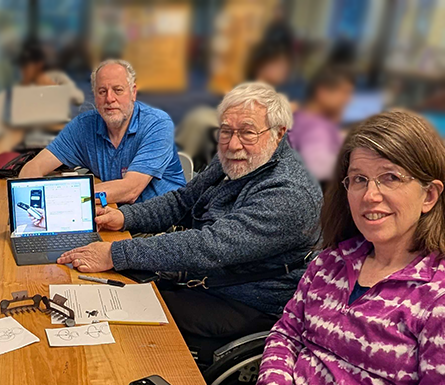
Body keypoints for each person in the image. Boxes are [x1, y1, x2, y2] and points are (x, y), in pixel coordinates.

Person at [224, 110, 445, 385]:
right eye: (358, 179)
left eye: (391, 177)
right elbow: (287, 333)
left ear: (429, 194)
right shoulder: (332, 261)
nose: (370, 195)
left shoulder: (435, 297)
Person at [57, 82, 321, 365]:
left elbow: (210, 246)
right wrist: (125, 217)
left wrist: (115, 252)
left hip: (245, 302)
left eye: (247, 132)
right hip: (203, 278)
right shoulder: (240, 155)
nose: (233, 144)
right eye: (226, 131)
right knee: (111, 291)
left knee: (124, 320)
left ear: (279, 134)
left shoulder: (289, 193)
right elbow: (182, 201)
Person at [19, 59, 186, 204]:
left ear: (133, 92)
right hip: (114, 216)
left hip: (160, 229)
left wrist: (65, 199)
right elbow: (34, 167)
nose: (110, 99)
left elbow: (130, 190)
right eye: (102, 92)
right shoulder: (83, 126)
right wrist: (32, 198)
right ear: (95, 95)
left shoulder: (157, 124)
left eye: (118, 90)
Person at [288, 65, 355, 183]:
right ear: (322, 92)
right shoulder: (315, 127)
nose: (348, 100)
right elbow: (319, 169)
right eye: (344, 92)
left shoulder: (299, 118)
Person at [19, 45, 85, 106]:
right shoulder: (22, 85)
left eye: (27, 66)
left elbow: (79, 99)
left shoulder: (57, 77)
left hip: (58, 116)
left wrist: (56, 89)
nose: (24, 70)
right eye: (22, 65)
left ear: (39, 64)